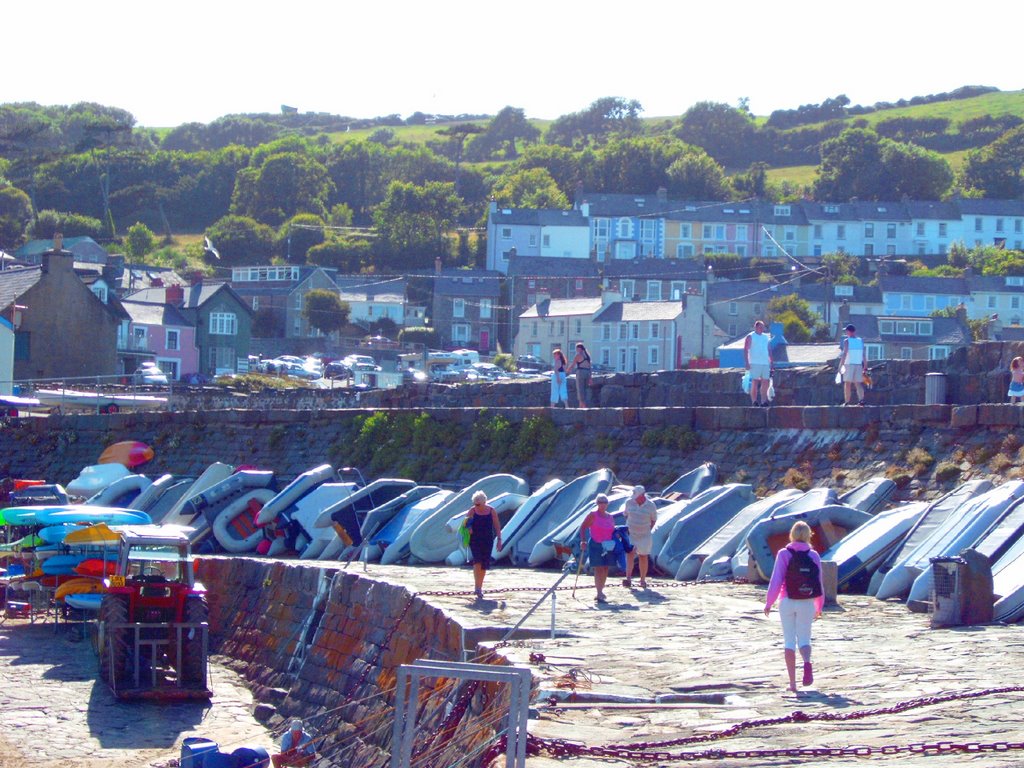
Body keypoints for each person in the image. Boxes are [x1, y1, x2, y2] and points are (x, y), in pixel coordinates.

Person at [763, 521, 825, 693]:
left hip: (787, 601)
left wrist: (769, 602)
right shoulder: (813, 555)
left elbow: (776, 580)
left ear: (791, 534)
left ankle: (792, 684)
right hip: (807, 602)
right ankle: (807, 663)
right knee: (805, 638)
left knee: (789, 641)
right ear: (807, 535)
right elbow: (818, 582)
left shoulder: (784, 553)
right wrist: (819, 606)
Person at [465, 490, 502, 599]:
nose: (476, 503)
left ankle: (480, 586)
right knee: (477, 561)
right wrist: (469, 528)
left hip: (487, 539)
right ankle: (477, 587)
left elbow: (497, 526)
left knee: (484, 564)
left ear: (484, 501)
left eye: (478, 500)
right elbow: (465, 523)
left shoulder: (491, 511)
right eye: (475, 501)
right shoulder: (472, 511)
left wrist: (499, 539)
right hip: (475, 539)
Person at [579, 493, 615, 603]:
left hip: (607, 545)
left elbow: (612, 530)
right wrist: (583, 540)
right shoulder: (593, 515)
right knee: (598, 568)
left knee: (605, 568)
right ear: (597, 503)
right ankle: (599, 592)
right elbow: (583, 527)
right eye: (600, 502)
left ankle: (601, 590)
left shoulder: (610, 516)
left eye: (605, 502)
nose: (603, 504)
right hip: (596, 544)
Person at [623, 485, 657, 589]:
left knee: (643, 556)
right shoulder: (629, 502)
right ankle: (628, 578)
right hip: (631, 533)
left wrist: (646, 529)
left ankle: (642, 580)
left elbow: (653, 520)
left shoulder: (651, 505)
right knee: (630, 554)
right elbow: (626, 515)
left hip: (644, 534)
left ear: (642, 495)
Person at [743, 320, 773, 407]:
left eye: (763, 327)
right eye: (760, 327)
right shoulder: (750, 336)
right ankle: (754, 401)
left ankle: (764, 401)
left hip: (765, 363)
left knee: (765, 382)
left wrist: (771, 361)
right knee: (755, 381)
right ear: (756, 327)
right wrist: (747, 362)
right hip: (755, 362)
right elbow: (745, 349)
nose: (762, 329)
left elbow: (769, 349)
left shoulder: (765, 337)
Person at [838, 323, 866, 406]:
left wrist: (841, 365)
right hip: (858, 364)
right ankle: (861, 400)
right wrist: (865, 366)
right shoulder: (860, 340)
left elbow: (845, 353)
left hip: (849, 364)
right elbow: (863, 354)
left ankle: (847, 402)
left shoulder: (847, 341)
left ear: (849, 331)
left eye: (846, 331)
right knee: (858, 383)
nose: (846, 333)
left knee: (847, 383)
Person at [569, 343, 593, 408]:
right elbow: (590, 367)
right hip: (587, 373)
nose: (576, 350)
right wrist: (590, 377)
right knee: (586, 389)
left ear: (579, 348)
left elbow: (573, 364)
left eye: (576, 348)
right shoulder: (588, 356)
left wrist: (568, 370)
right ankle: (582, 405)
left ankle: (582, 405)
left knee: (580, 389)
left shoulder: (578, 355)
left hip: (581, 372)